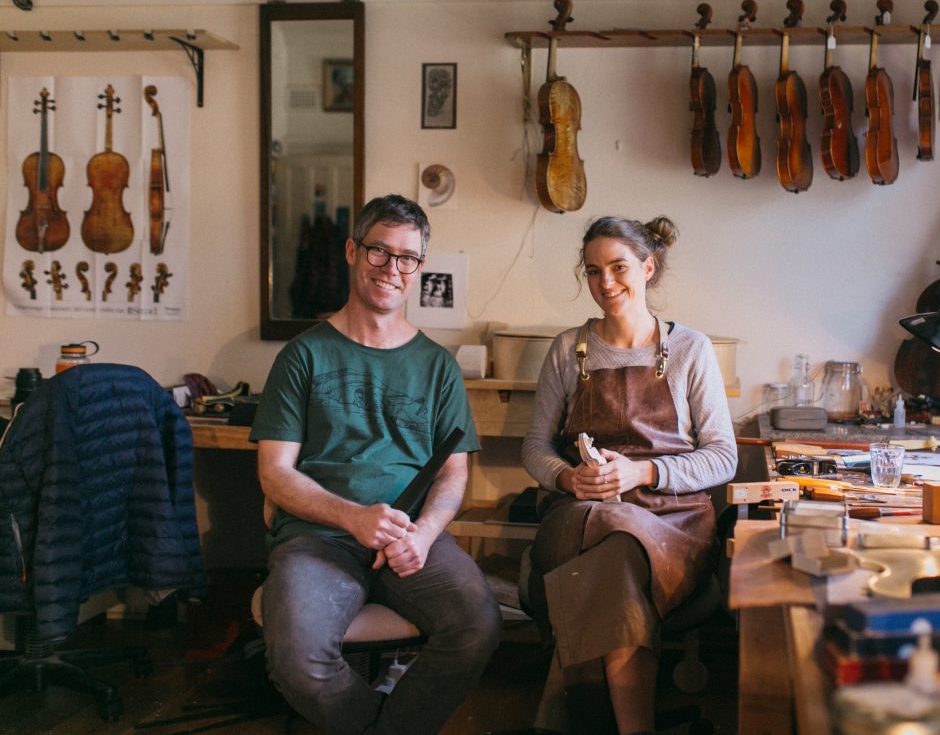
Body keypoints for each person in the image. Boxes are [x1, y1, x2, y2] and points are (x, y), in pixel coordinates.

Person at [250, 195, 501, 735]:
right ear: (351, 251)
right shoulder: (303, 356)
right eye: (378, 252)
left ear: (418, 268)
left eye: (407, 258)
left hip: (411, 538)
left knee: (478, 627)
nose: (392, 269)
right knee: (297, 657)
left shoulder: (437, 366)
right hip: (319, 538)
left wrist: (427, 532)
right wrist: (352, 517)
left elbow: (454, 473)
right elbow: (274, 473)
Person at [521, 215, 737, 734]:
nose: (606, 283)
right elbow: (534, 449)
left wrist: (642, 472)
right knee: (608, 547)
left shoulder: (690, 349)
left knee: (612, 562)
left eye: (619, 267)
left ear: (647, 267)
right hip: (582, 513)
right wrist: (568, 479)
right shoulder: (567, 350)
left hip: (670, 523)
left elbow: (723, 457)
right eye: (593, 272)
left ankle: (566, 719)